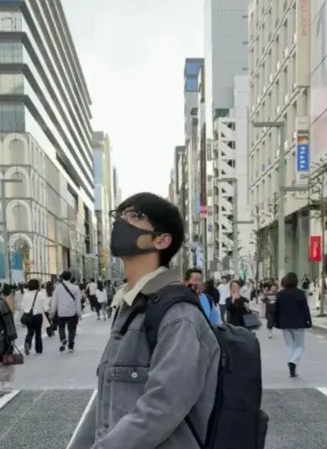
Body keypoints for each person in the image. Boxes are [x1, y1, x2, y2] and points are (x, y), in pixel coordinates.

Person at [70, 192, 220, 447]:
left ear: (162, 240)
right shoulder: (132, 306)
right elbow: (105, 401)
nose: (121, 223)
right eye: (119, 215)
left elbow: (161, 408)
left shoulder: (178, 315)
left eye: (135, 216)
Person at [274, 272, 312, 378]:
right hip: (298, 323)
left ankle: (291, 367)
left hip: (284, 323)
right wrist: (308, 321)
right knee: (300, 345)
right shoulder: (300, 293)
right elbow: (305, 309)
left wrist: (275, 322)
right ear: (296, 281)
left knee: (290, 346)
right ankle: (293, 362)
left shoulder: (281, 294)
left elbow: (276, 309)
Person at [50, 271, 82, 353]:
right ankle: (71, 346)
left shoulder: (57, 287)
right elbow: (78, 302)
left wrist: (52, 311)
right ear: (70, 277)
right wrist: (79, 313)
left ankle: (63, 339)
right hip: (72, 312)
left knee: (61, 327)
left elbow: (54, 300)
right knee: (72, 329)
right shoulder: (75, 288)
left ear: (62, 277)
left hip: (61, 311)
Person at [20, 279, 47, 355]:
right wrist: (48, 311)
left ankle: (27, 342)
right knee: (38, 332)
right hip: (38, 316)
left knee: (30, 331)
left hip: (28, 315)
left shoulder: (26, 294)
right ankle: (38, 349)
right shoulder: (40, 294)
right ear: (37, 285)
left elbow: (22, 306)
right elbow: (44, 306)